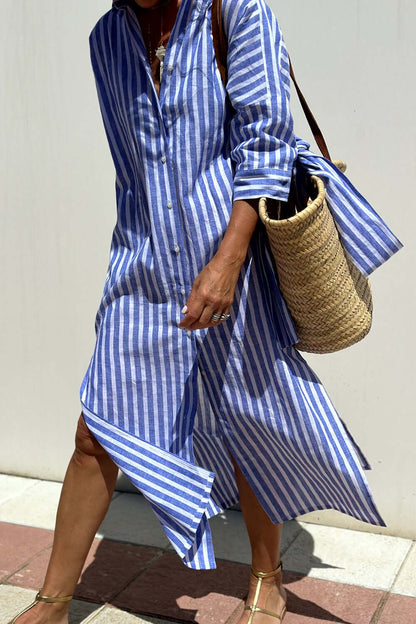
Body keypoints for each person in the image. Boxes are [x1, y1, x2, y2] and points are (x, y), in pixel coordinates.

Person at [10, 0, 402, 622]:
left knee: (248, 422)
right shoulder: (106, 39)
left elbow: (267, 142)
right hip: (143, 267)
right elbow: (132, 170)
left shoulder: (236, 12)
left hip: (233, 258)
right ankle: (52, 602)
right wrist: (130, 261)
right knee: (97, 431)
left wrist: (229, 259)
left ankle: (267, 577)